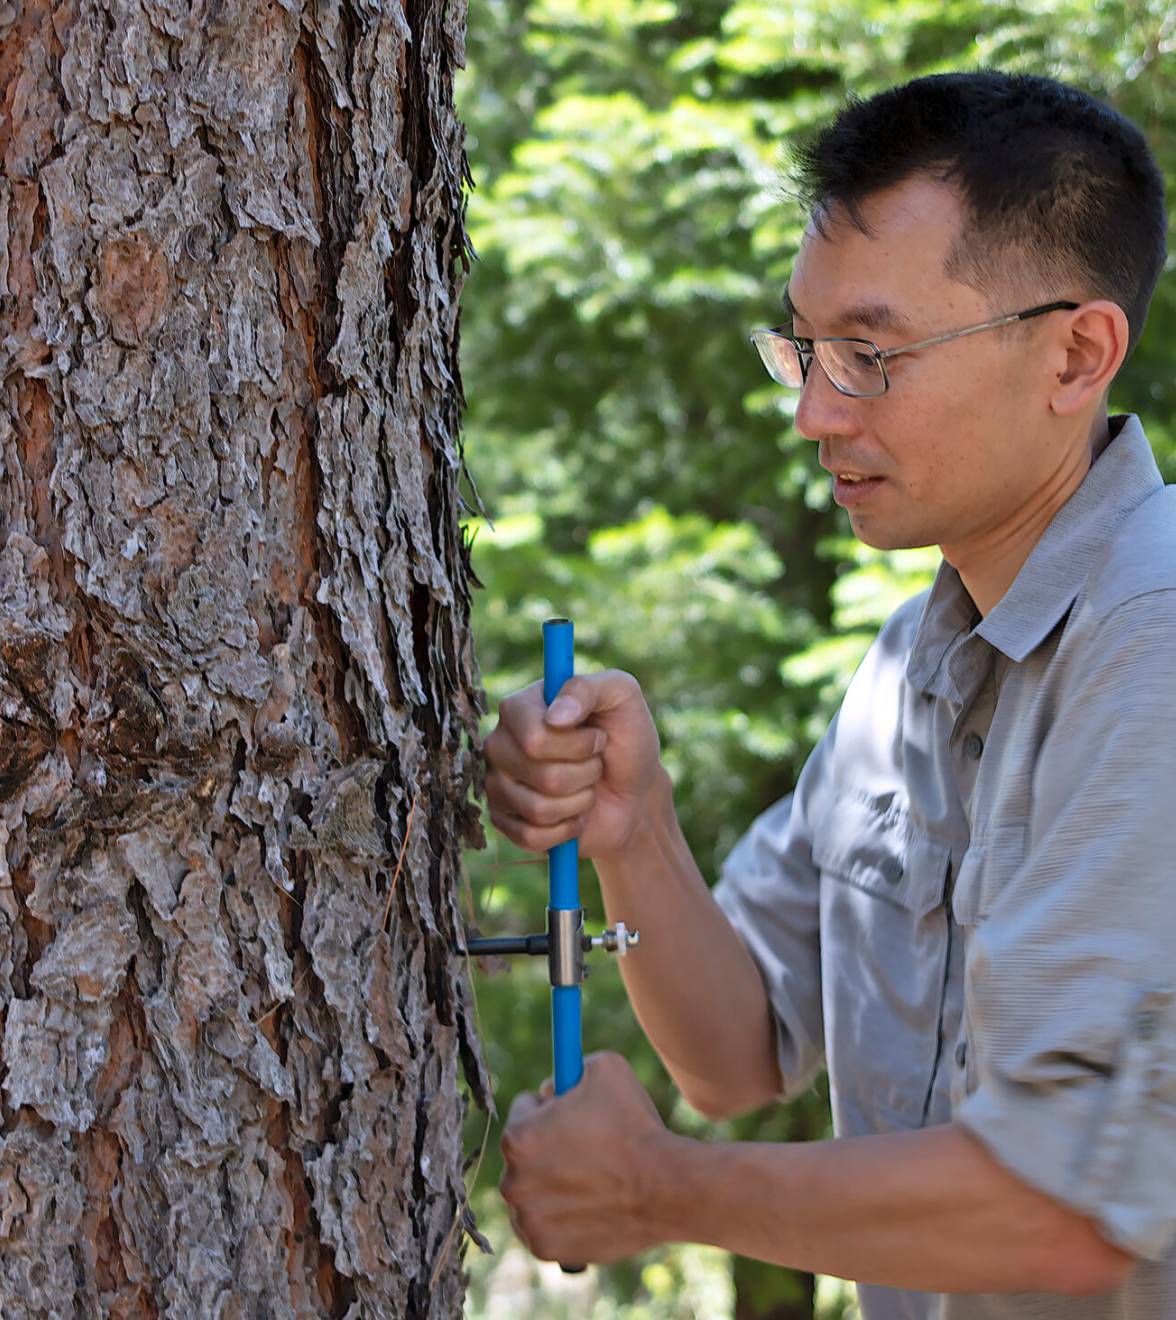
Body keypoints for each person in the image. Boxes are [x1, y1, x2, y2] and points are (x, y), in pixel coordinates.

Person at [486, 71, 1173, 1318]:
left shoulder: (1154, 645)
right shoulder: (912, 661)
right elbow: (736, 1049)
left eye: (869, 354)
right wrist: (632, 827)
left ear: (1078, 354)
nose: (811, 411)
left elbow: (1066, 1222)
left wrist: (654, 1191)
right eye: (804, 349)